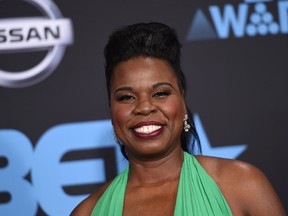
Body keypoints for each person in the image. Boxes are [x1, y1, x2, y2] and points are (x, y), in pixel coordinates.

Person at [71, 22, 286, 216]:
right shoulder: (88, 212)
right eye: (126, 97)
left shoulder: (242, 185)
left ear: (182, 101)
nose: (145, 107)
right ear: (111, 110)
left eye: (160, 93)